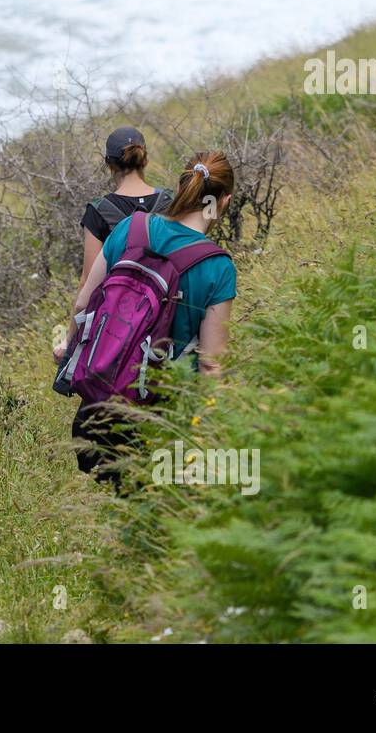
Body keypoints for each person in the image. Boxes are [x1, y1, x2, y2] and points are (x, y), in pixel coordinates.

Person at [57, 150, 237, 485]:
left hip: (103, 405)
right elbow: (212, 365)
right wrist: (213, 431)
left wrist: (68, 352)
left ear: (183, 184)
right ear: (223, 201)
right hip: (165, 419)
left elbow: (84, 305)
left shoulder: (131, 227)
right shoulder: (218, 267)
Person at [78, 126, 172, 288]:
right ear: (145, 159)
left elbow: (89, 279)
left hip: (121, 309)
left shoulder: (98, 210)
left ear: (109, 164)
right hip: (170, 304)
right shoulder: (170, 202)